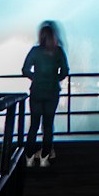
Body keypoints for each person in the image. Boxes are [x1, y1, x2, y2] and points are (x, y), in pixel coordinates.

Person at [21, 21, 69, 167]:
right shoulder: (58, 51)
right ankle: (44, 158)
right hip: (52, 92)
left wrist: (35, 77)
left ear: (41, 36)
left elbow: (25, 69)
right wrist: (55, 79)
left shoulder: (35, 51)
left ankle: (29, 158)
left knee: (34, 125)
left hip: (36, 92)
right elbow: (65, 71)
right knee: (48, 126)